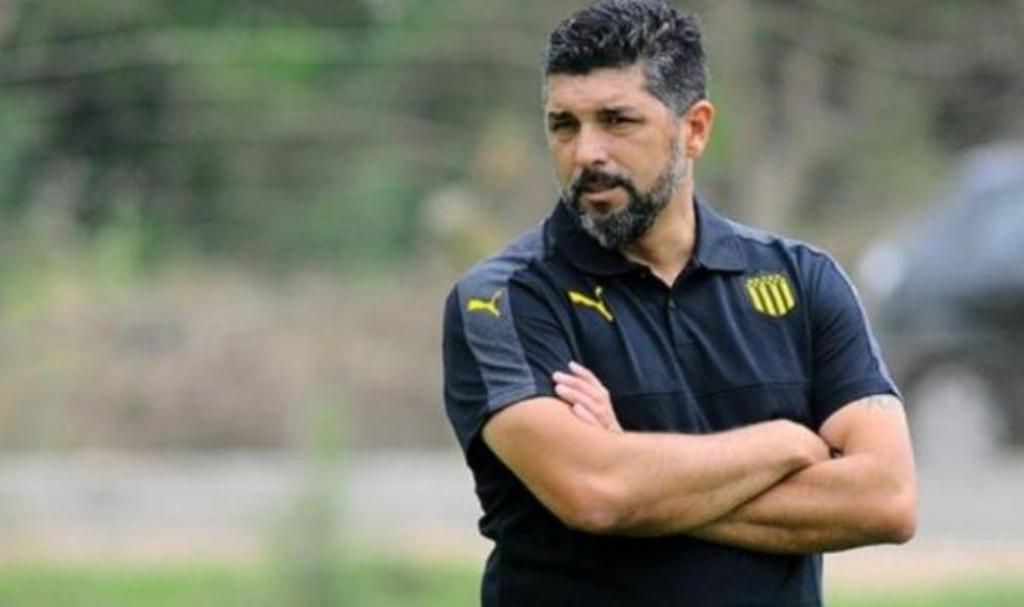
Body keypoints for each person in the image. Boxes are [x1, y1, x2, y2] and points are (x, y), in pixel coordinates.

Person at [441, 1, 917, 605]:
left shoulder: (803, 281)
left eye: (617, 121)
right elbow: (597, 493)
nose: (585, 153)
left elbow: (887, 499)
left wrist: (642, 477)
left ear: (694, 129)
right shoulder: (503, 300)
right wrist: (784, 443)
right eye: (564, 125)